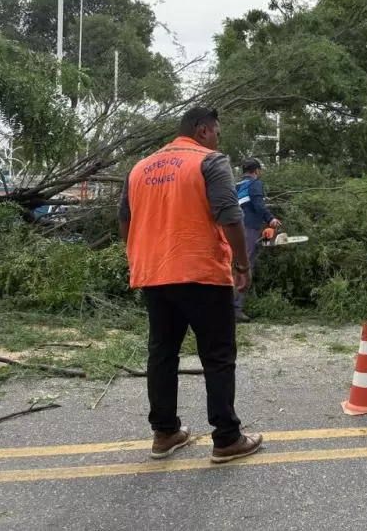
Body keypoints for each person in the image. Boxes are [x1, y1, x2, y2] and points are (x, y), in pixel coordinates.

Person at [118, 106, 263, 463]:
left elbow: (124, 220)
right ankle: (227, 438)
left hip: (155, 274)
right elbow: (230, 215)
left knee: (162, 353)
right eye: (216, 133)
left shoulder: (140, 168)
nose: (217, 141)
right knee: (218, 355)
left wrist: (143, 253)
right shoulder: (209, 161)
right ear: (202, 130)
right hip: (201, 271)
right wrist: (242, 264)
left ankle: (164, 433)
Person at [232, 157, 282, 323]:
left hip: (232, 228)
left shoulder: (236, 186)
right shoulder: (255, 184)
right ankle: (235, 309)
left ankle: (225, 306)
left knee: (231, 267)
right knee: (244, 266)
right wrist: (271, 219)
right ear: (257, 171)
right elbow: (258, 204)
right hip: (248, 229)